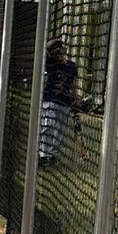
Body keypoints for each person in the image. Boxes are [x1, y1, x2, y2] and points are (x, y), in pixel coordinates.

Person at [39, 38, 80, 166]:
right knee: (47, 126)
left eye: (60, 49)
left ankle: (53, 156)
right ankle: (43, 155)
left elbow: (73, 84)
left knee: (59, 131)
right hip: (50, 99)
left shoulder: (71, 66)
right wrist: (51, 48)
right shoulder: (50, 64)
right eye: (55, 51)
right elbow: (44, 54)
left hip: (64, 101)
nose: (58, 53)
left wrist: (74, 97)